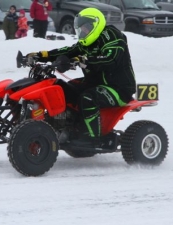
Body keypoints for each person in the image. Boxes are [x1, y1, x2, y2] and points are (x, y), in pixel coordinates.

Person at [26, 8, 136, 146]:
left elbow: (109, 59)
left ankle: (93, 138)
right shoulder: (86, 43)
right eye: (81, 29)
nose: (83, 32)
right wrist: (41, 56)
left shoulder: (113, 36)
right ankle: (66, 128)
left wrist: (83, 60)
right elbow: (69, 51)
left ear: (96, 24)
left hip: (118, 88)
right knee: (60, 87)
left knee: (88, 98)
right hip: (95, 84)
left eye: (85, 28)